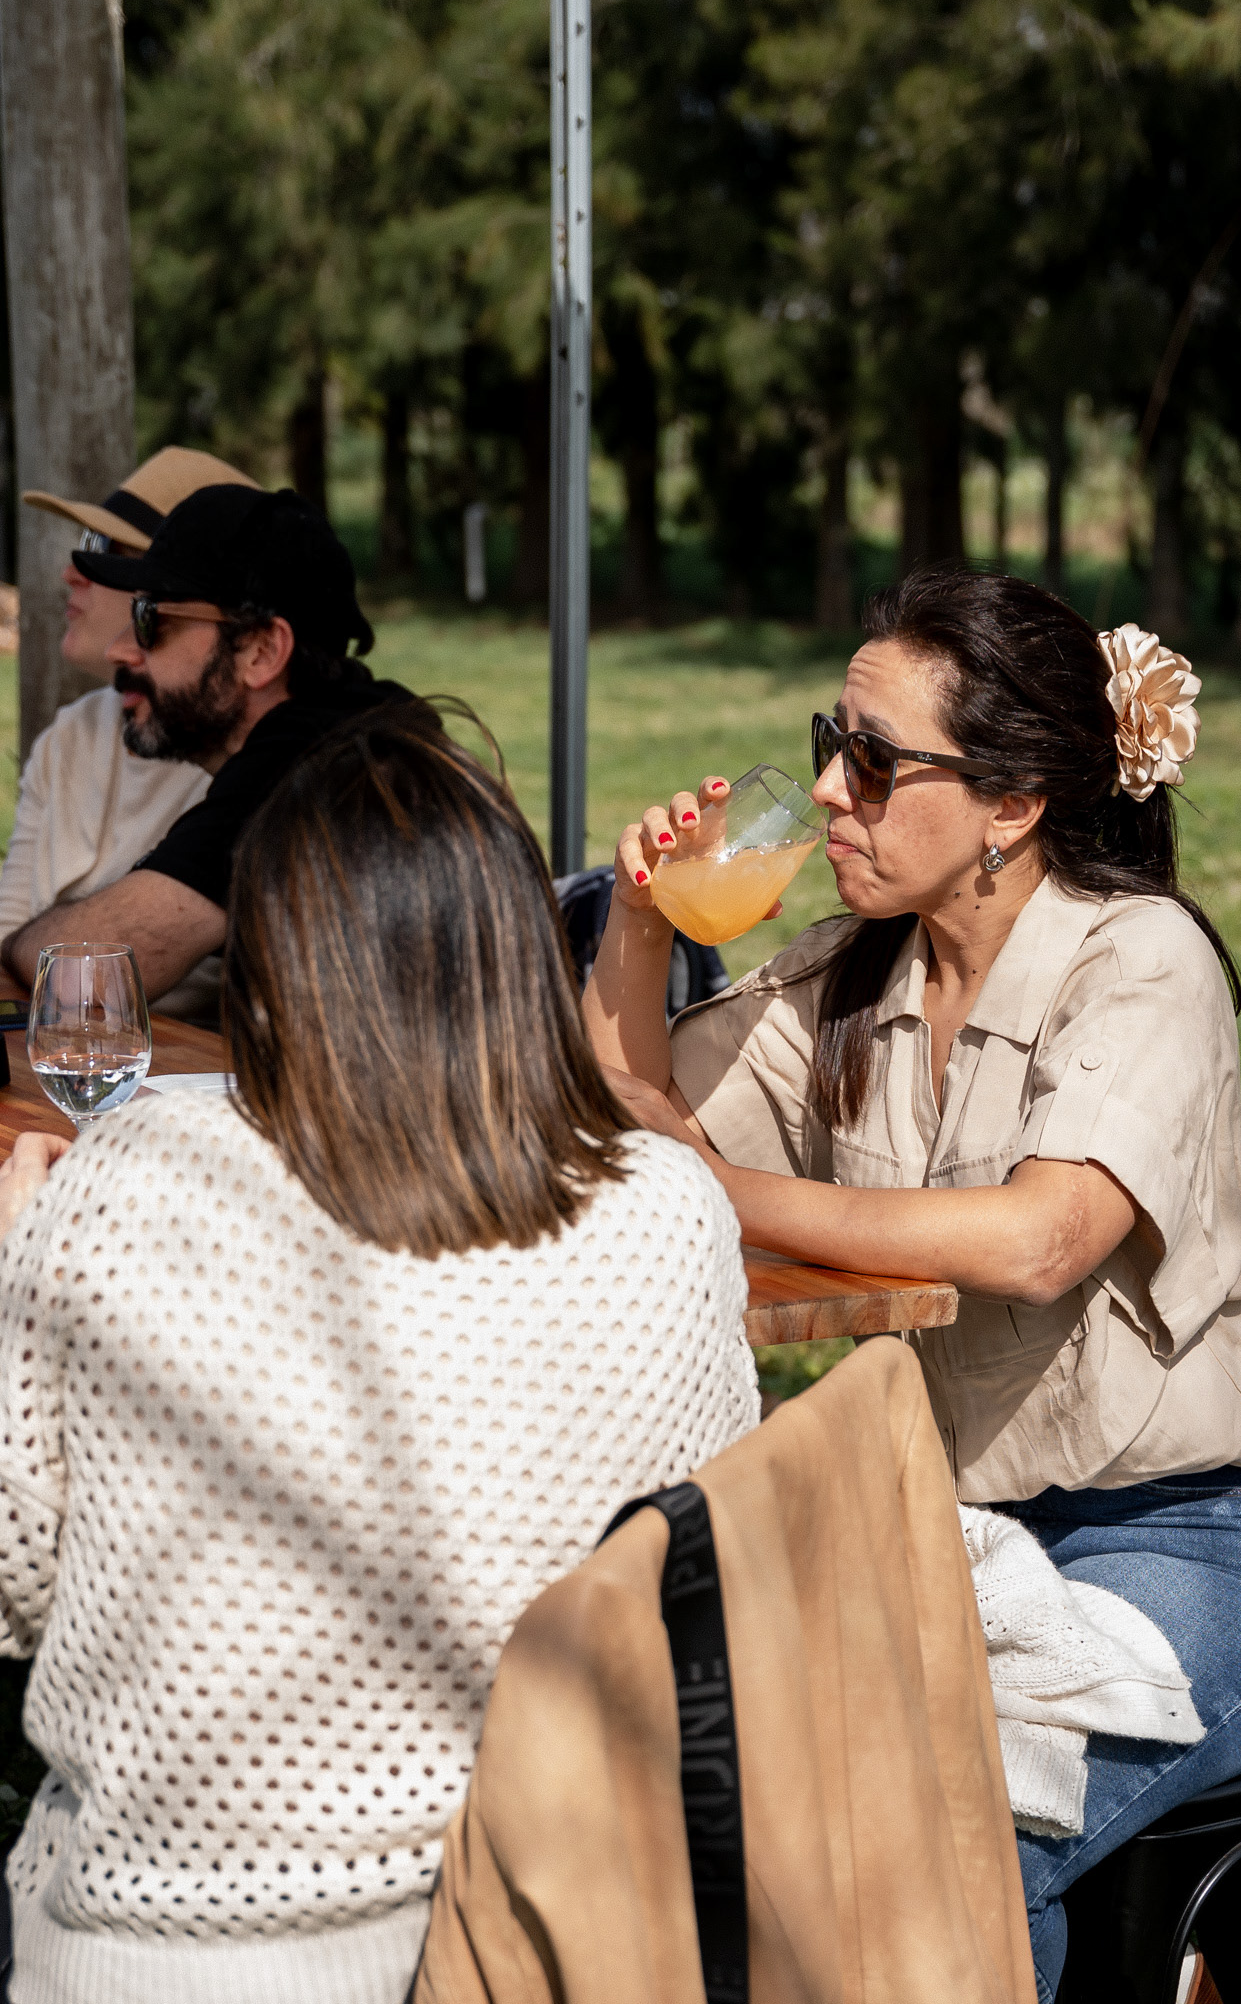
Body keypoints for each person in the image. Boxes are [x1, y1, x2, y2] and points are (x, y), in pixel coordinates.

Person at [581, 566, 1241, 2004]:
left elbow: (1038, 1237)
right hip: (965, 1543)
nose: (828, 788)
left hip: (1216, 1541)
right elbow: (637, 1138)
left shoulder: (1142, 959)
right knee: (707, 1766)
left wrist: (726, 1193)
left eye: (875, 762)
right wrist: (640, 922)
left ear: (1010, 804)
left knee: (964, 1823)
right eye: (832, 739)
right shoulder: (849, 981)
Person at [0, 706, 758, 2003]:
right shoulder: (670, 1209)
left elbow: (15, 1581)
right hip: (542, 1927)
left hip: (162, 1948)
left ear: (279, 959)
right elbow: (703, 1570)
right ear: (519, 944)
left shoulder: (125, 1182)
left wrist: (30, 1257)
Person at [1, 481, 415, 1013]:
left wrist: (14, 944)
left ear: (261, 652)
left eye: (152, 621)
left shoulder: (310, 769)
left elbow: (89, 978)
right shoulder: (352, 732)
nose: (120, 648)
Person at [1, 448, 260, 1021]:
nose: (72, 571)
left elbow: (78, 974)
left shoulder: (248, 755)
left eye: (102, 550)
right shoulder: (75, 732)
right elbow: (7, 942)